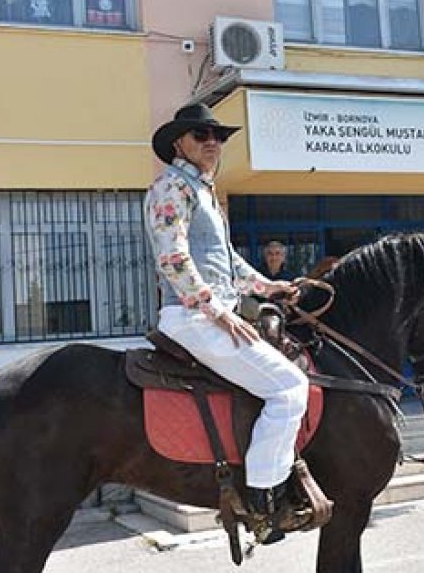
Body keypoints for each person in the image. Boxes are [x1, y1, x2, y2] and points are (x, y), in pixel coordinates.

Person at [144, 103, 307, 542]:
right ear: (179, 142)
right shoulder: (171, 186)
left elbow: (226, 263)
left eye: (219, 136)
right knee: (291, 388)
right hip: (194, 318)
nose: (212, 142)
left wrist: (269, 286)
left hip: (210, 313)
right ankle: (262, 500)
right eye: (201, 135)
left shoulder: (205, 193)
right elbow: (172, 256)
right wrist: (215, 310)